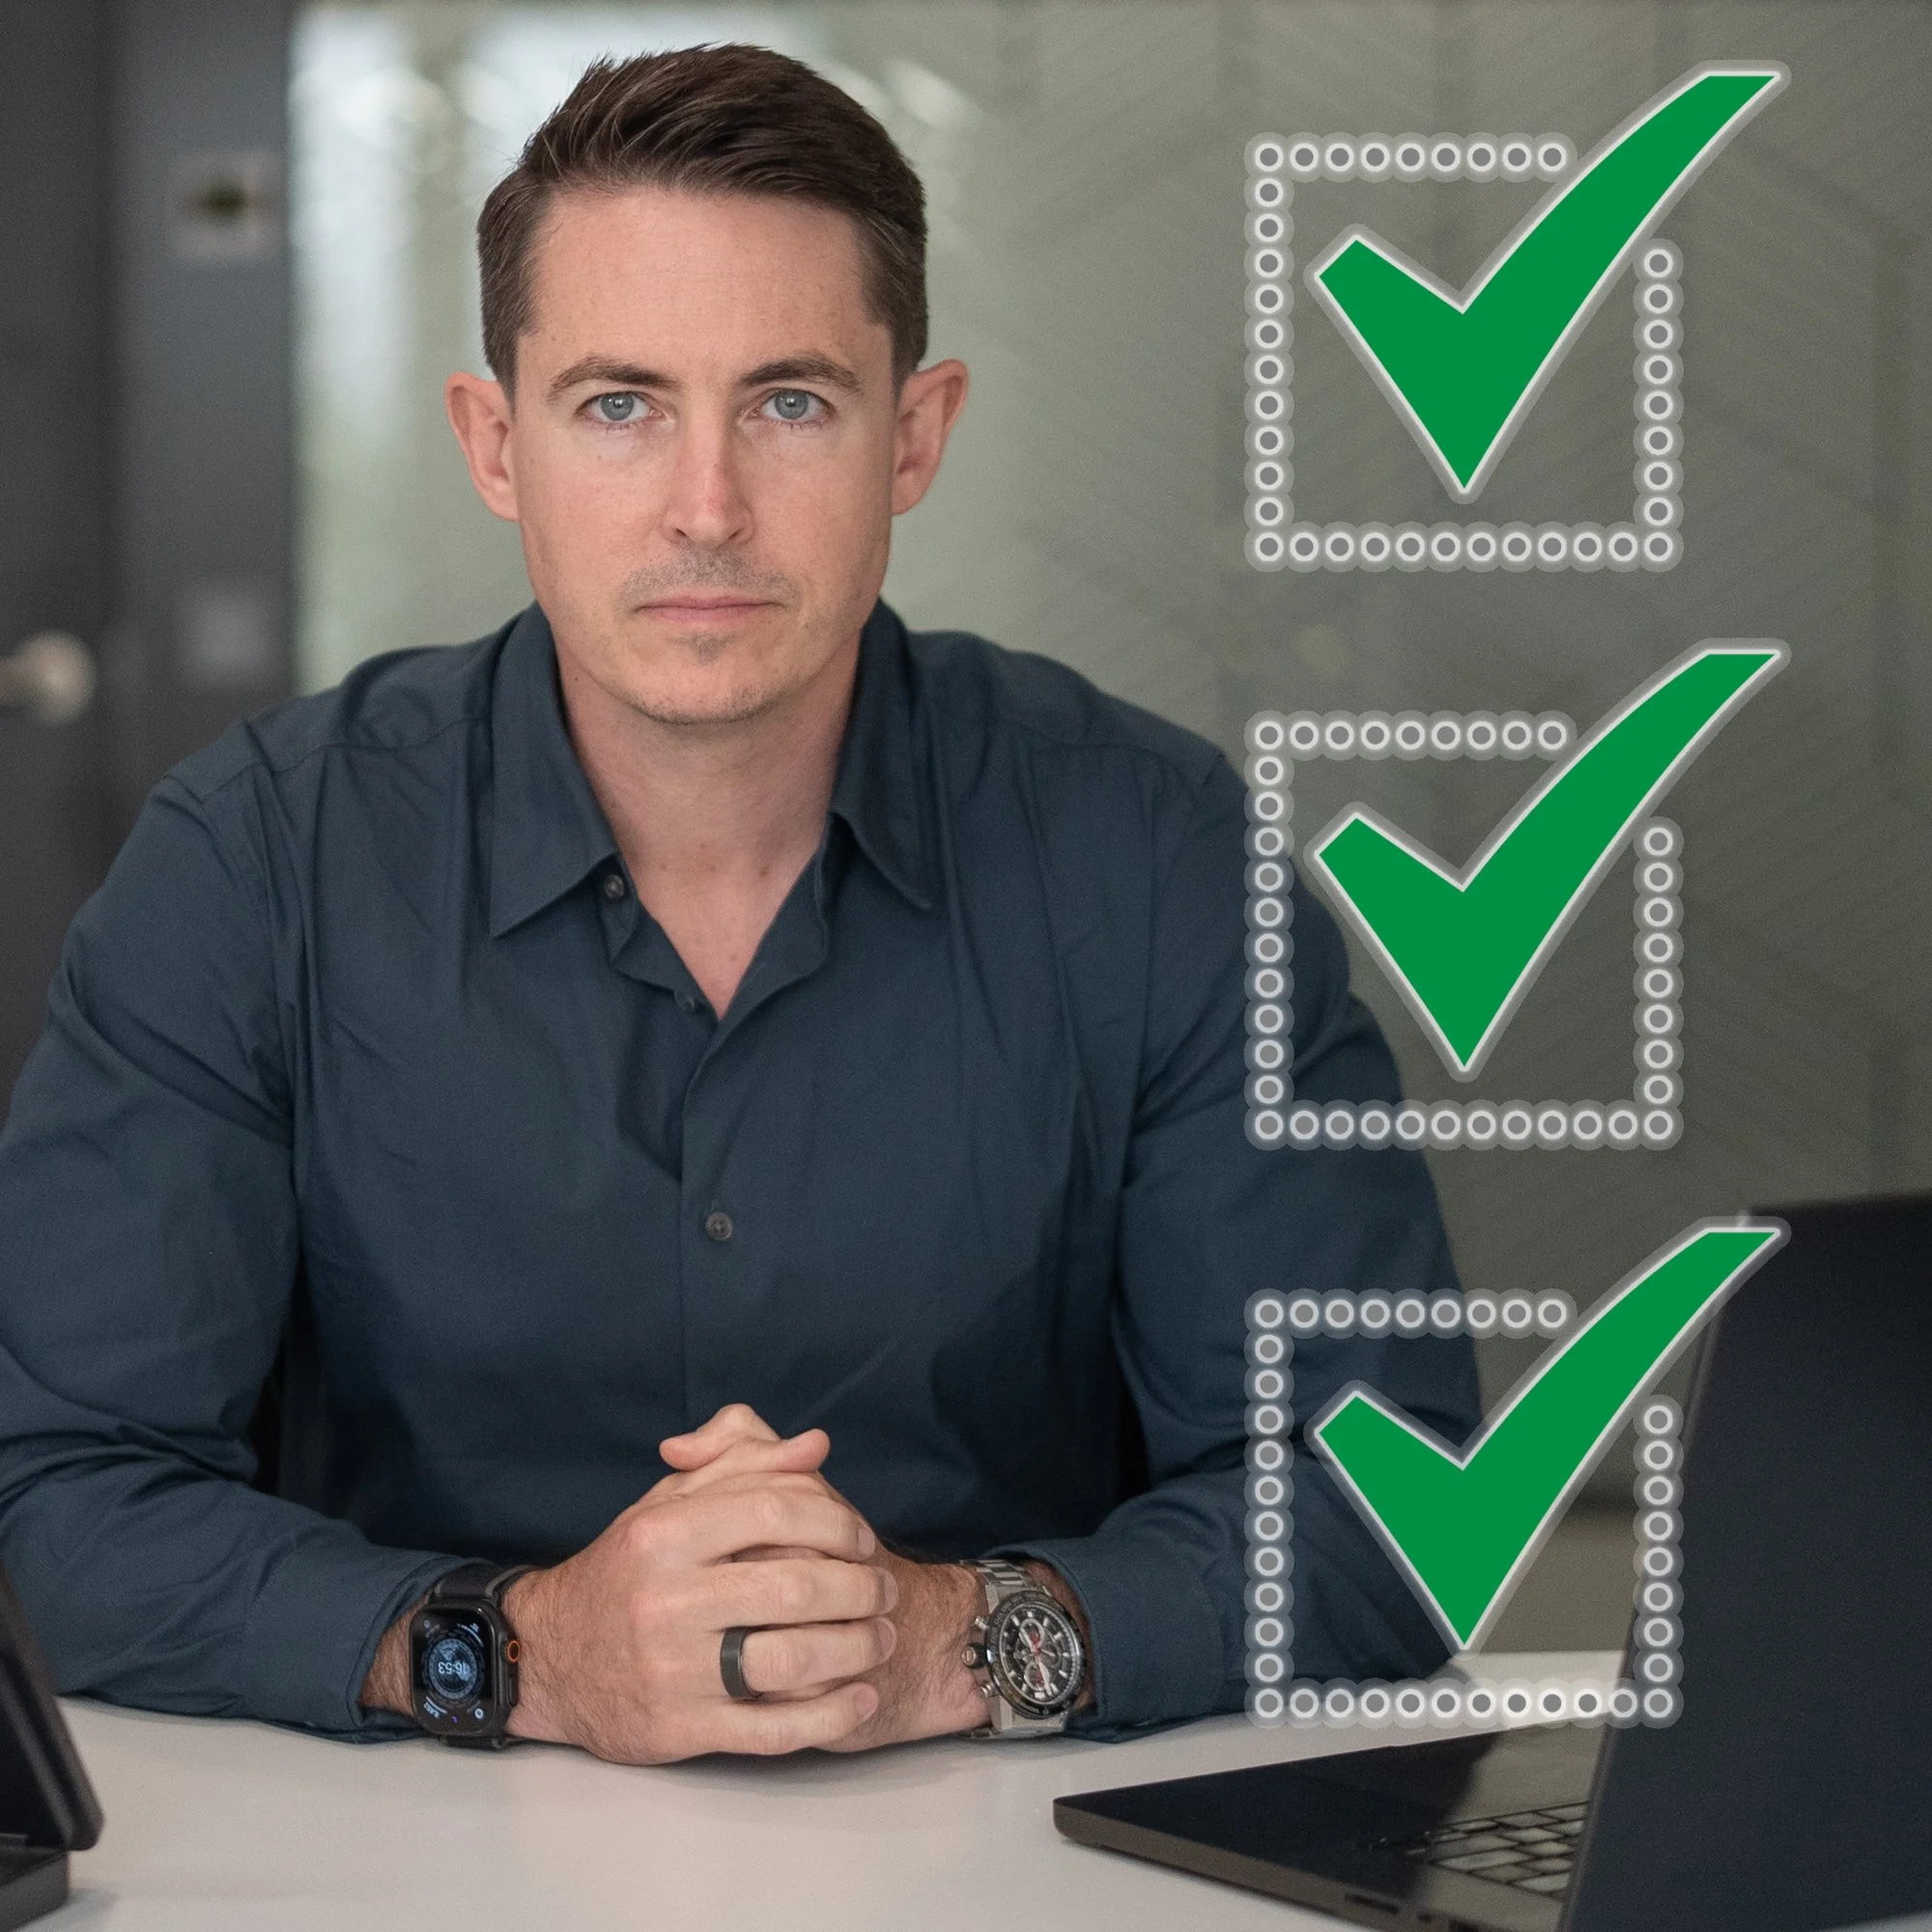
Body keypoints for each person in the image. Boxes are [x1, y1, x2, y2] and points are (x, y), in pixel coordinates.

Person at [0, 43, 1476, 1764]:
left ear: (913, 435)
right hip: (404, 1839)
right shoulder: (254, 862)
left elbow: (1394, 1505)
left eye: (790, 403)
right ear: (496, 443)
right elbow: (55, 1490)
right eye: (619, 405)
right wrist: (523, 1653)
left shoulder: (1156, 856)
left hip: (1010, 1845)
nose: (705, 510)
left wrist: (953, 1641)